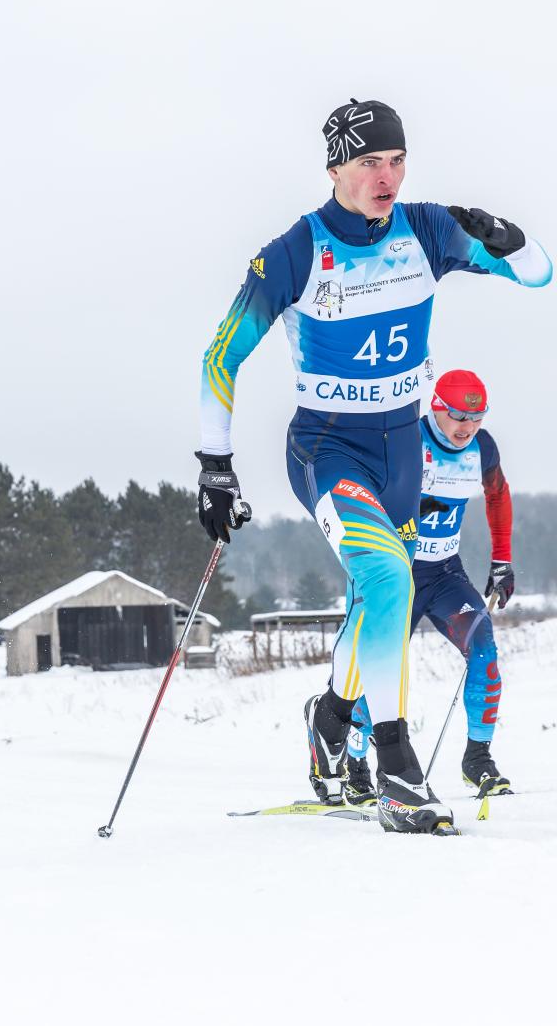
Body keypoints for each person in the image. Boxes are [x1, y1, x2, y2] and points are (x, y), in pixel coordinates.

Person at [196, 97, 551, 834]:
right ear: (334, 170)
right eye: (368, 163)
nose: (386, 177)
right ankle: (394, 765)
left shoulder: (427, 229)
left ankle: (328, 717)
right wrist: (215, 464)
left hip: (402, 457)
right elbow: (220, 356)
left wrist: (508, 238)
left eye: (396, 161)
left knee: (372, 599)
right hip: (328, 450)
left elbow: (538, 274)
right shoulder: (299, 249)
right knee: (390, 576)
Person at [346, 369, 514, 805]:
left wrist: (502, 561)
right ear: (437, 408)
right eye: (459, 415)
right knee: (377, 669)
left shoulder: (482, 447)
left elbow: (497, 495)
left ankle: (477, 759)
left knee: (484, 648)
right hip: (394, 572)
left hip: (443, 574)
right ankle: (355, 762)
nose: (467, 427)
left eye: (476, 417)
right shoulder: (406, 439)